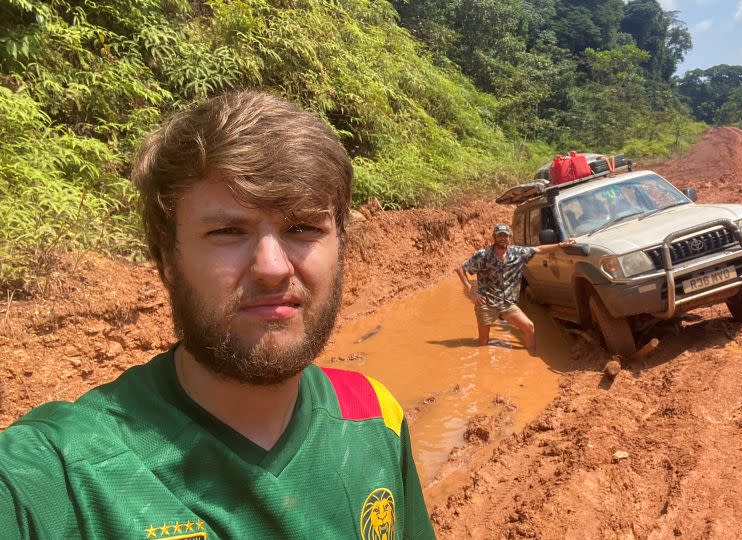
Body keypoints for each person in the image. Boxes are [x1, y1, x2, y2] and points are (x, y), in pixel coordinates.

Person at [0, 91, 435, 539]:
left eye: (302, 228)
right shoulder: (60, 475)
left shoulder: (375, 416)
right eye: (228, 231)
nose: (273, 267)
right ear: (165, 258)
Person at [456, 224, 575, 355]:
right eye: (499, 235)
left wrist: (560, 245)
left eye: (505, 235)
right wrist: (471, 290)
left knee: (529, 327)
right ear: (494, 237)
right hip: (486, 303)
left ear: (510, 238)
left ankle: (532, 356)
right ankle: (484, 367)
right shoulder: (483, 255)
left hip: (507, 303)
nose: (502, 238)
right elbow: (461, 269)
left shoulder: (517, 253)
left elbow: (539, 249)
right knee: (484, 342)